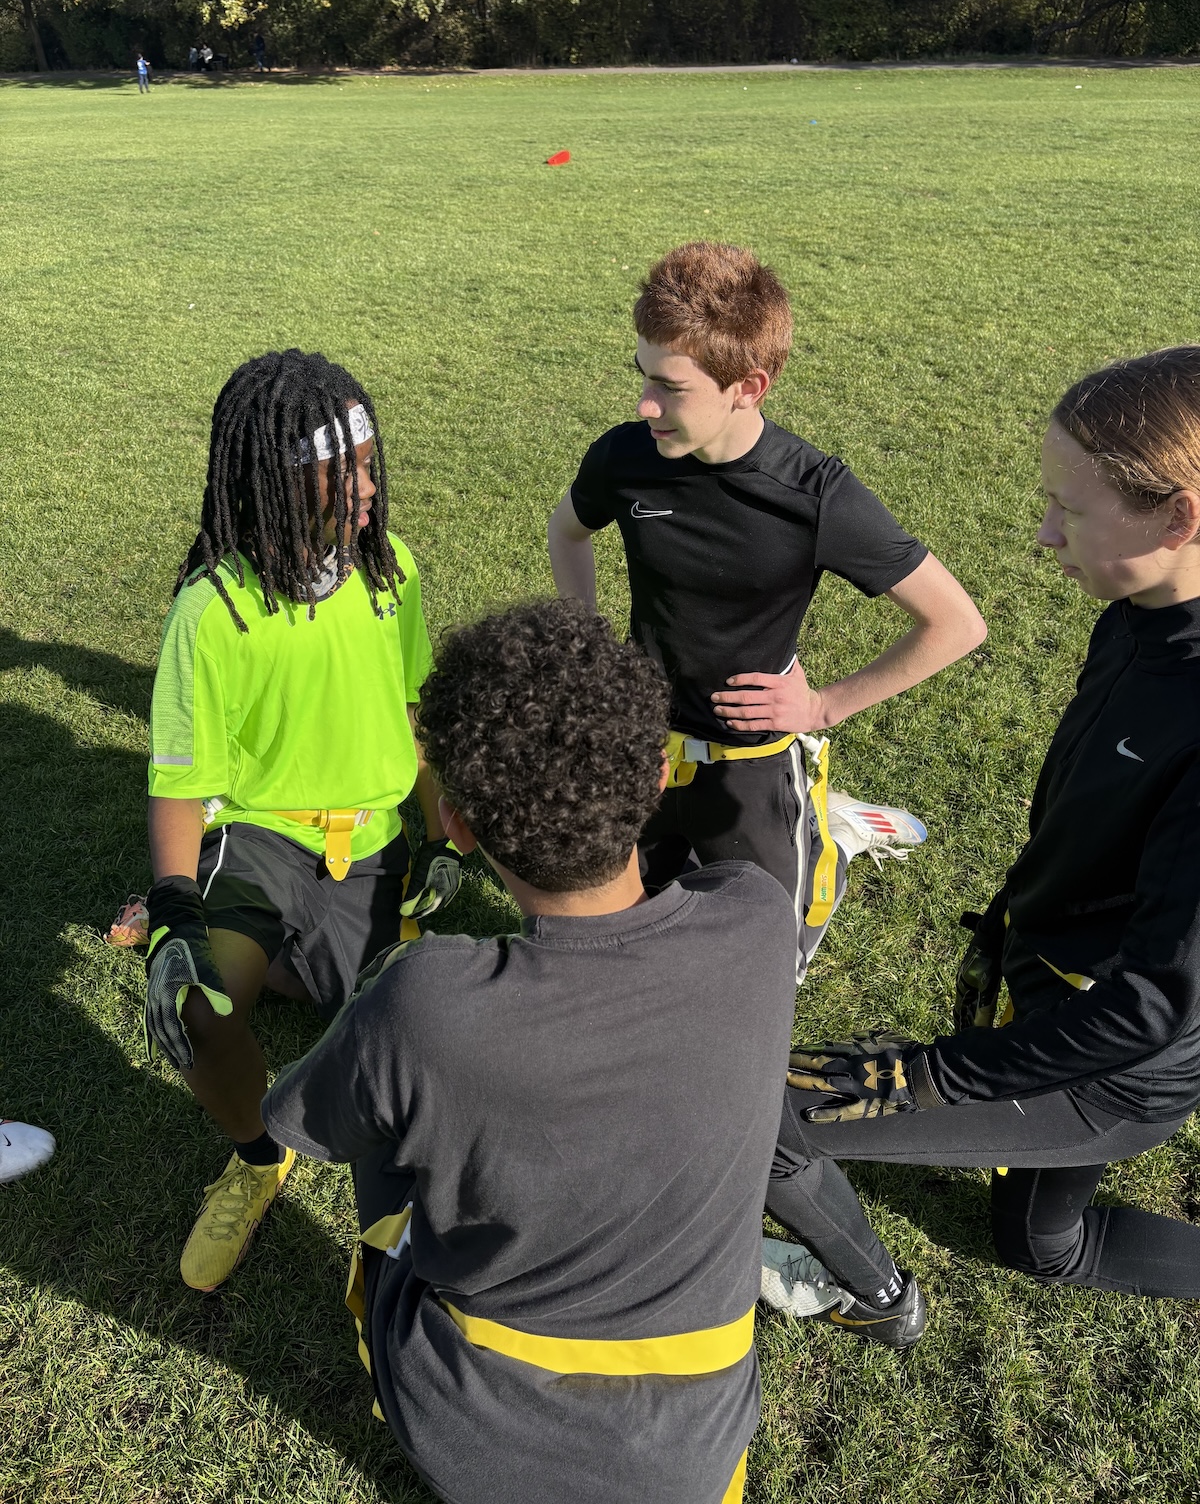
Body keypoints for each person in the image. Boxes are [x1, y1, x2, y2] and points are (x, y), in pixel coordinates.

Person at [262, 599, 799, 1504]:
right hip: (698, 1454)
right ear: (656, 778)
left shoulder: (421, 1001)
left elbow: (305, 1121)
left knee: (393, 1128)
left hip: (479, 1446)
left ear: (461, 827)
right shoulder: (754, 919)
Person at [766, 345, 1200, 1310]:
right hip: (1045, 985)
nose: (1045, 536)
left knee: (763, 1118)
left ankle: (871, 1297)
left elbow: (1153, 1009)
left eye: (1072, 511)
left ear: (1178, 517)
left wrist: (923, 1075)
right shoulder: (1136, 610)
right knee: (1040, 1242)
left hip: (1111, 1070)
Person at [548, 242, 986, 982]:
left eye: (670, 387)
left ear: (747, 386)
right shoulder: (625, 458)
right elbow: (567, 531)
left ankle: (831, 835)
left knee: (770, 970)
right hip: (643, 740)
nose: (644, 405)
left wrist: (821, 706)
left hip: (752, 757)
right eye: (642, 377)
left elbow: (956, 623)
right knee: (613, 941)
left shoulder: (814, 495)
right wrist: (593, 652)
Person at [145, 349, 458, 1293]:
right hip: (264, 839)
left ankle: (301, 966)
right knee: (202, 1004)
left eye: (372, 462)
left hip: (376, 844)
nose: (369, 488)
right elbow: (176, 780)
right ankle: (255, 1158)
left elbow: (417, 716)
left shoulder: (390, 571)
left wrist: (440, 837)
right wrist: (169, 908)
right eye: (343, 471)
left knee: (406, 1055)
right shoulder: (212, 609)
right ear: (275, 481)